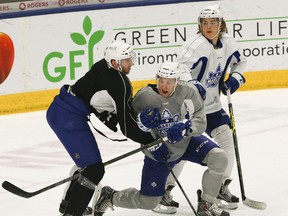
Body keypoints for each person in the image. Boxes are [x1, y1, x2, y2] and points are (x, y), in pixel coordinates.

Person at [93, 61, 230, 216]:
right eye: (161, 81)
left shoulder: (189, 92)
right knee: (148, 202)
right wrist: (144, 129)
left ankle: (206, 204)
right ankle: (110, 196)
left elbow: (201, 121)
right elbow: (131, 128)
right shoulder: (144, 97)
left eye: (169, 82)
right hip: (158, 150)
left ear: (177, 82)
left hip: (186, 143)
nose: (164, 86)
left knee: (219, 158)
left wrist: (186, 127)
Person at [154, 4, 247, 214]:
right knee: (181, 150)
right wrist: (193, 84)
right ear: (200, 25)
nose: (208, 26)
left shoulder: (229, 43)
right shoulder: (194, 45)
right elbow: (180, 67)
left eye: (213, 23)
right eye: (204, 23)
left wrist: (235, 78)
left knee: (228, 144)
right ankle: (163, 192)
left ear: (221, 24)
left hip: (213, 106)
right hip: (189, 108)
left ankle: (219, 187)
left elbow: (241, 63)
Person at [46, 40, 156, 216]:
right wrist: (150, 139)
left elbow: (92, 96)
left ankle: (68, 207)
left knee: (87, 166)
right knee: (94, 169)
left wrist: (110, 117)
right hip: (67, 117)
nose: (132, 63)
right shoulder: (120, 84)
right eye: (127, 60)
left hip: (61, 109)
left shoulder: (101, 65)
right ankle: (73, 213)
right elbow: (127, 127)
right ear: (115, 63)